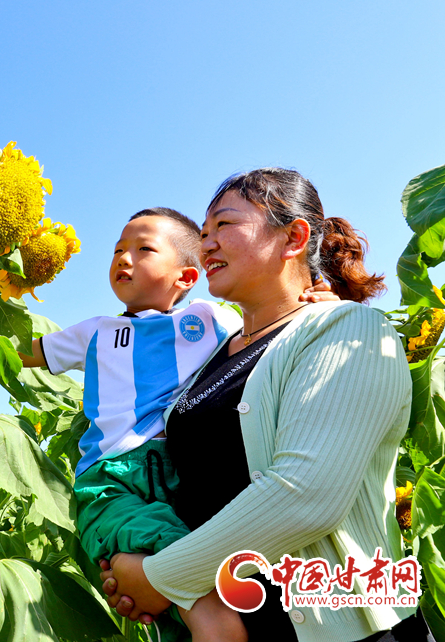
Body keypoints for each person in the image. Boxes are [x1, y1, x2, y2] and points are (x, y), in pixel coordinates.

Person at [99, 168, 429, 642]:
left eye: (224, 225)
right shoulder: (212, 354)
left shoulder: (348, 329)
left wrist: (159, 577)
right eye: (203, 233)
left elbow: (306, 495)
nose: (207, 244)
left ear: (294, 237)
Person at [19, 207, 333, 641]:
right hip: (112, 475)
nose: (124, 258)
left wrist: (318, 304)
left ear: (186, 277)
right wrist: (0, 284)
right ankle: (216, 622)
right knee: (173, 559)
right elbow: (24, 350)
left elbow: (269, 327)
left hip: (181, 474)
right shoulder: (96, 332)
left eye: (143, 249)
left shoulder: (208, 319)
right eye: (118, 250)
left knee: (168, 601)